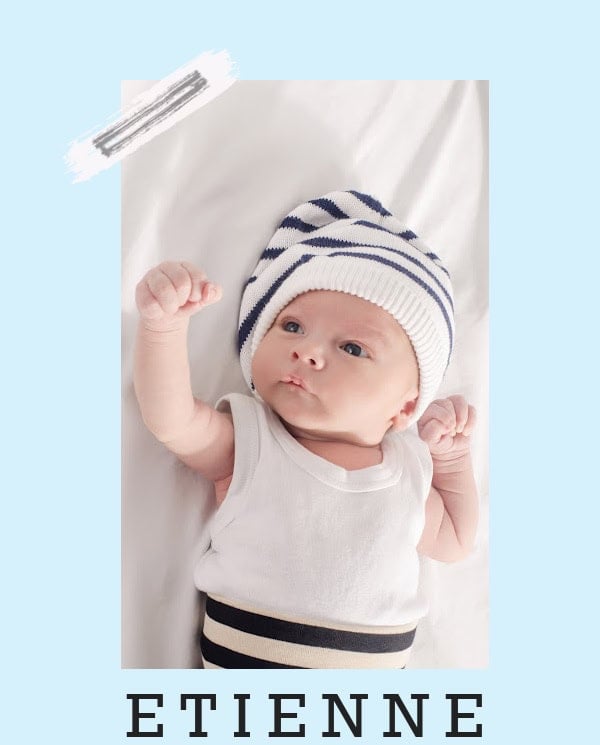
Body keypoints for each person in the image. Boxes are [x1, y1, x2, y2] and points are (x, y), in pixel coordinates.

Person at [134, 191, 478, 669]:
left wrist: (453, 462)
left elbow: (458, 541)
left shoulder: (410, 472)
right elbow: (172, 420)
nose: (308, 351)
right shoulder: (253, 443)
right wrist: (163, 330)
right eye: (292, 326)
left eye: (353, 349)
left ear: (405, 407)